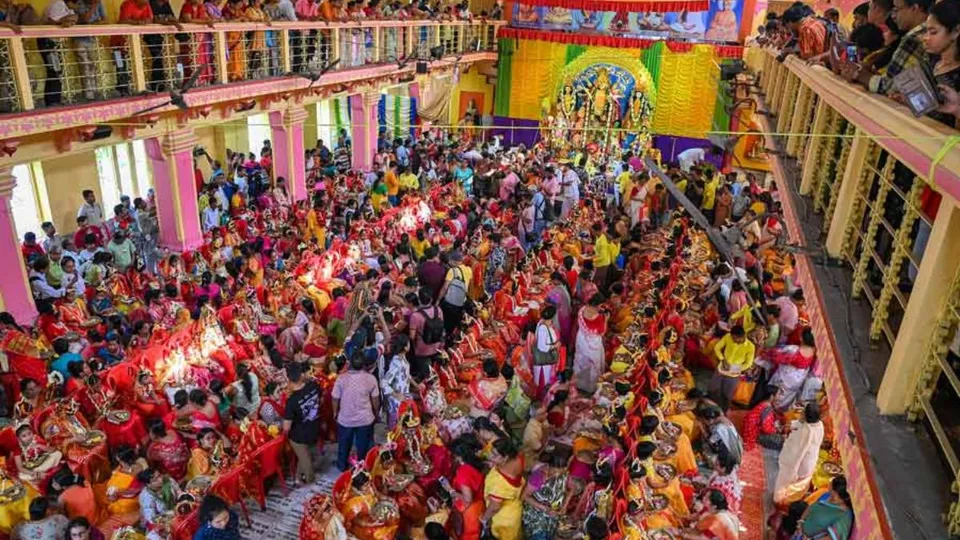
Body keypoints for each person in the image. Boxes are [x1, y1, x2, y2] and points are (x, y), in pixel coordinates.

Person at [842, 0, 932, 94]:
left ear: (914, 8)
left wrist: (858, 75)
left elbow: (889, 87)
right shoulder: (923, 34)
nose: (893, 15)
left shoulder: (914, 38)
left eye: (897, 9)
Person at [332, 351, 380, 471]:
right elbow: (375, 400)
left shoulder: (341, 379)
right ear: (364, 364)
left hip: (345, 419)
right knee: (363, 446)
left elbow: (335, 398)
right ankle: (362, 467)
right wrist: (376, 412)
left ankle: (342, 466)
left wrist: (335, 412)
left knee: (344, 445)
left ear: (349, 364)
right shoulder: (371, 379)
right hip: (365, 419)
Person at [774, 402, 825, 507]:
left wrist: (790, 470)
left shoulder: (806, 432)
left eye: (803, 412)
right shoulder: (819, 424)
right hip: (809, 465)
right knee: (796, 490)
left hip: (798, 464)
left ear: (807, 416)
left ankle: (778, 502)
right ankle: (786, 503)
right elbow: (801, 423)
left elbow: (796, 454)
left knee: (783, 483)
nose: (801, 413)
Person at [284, 362, 323, 482]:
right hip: (314, 426)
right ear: (301, 375)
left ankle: (309, 479)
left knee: (305, 459)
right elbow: (320, 400)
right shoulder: (313, 385)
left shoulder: (291, 401)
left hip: (299, 435)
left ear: (288, 379)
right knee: (304, 454)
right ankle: (299, 474)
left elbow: (287, 427)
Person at [482, 439, 525, 540]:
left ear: (505, 458)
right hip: (515, 508)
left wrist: (484, 519)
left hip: (504, 519)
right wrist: (496, 463)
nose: (490, 456)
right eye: (491, 452)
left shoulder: (498, 483)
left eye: (495, 455)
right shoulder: (518, 457)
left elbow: (495, 507)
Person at [711, 325, 755, 411]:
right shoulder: (728, 337)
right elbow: (717, 348)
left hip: (734, 373)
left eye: (735, 339)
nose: (733, 340)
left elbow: (748, 363)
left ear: (742, 336)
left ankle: (724, 410)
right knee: (713, 389)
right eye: (732, 338)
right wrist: (722, 359)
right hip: (722, 367)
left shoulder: (750, 346)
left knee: (727, 394)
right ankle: (712, 407)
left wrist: (736, 368)